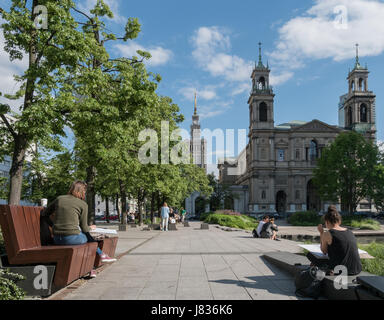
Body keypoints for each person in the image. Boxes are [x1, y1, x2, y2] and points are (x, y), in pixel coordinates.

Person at [41, 180, 117, 278]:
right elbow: (84, 228)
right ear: (82, 191)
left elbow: (44, 214)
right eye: (84, 191)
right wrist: (91, 227)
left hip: (57, 238)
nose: (85, 193)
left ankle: (94, 265)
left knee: (87, 239)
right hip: (71, 239)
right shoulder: (82, 204)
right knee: (91, 242)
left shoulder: (59, 199)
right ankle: (98, 260)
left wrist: (53, 225)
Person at [307, 205, 362, 276]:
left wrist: (321, 233)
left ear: (326, 222)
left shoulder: (328, 233)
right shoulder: (349, 231)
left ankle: (328, 270)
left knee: (310, 255)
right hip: (356, 269)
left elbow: (324, 251)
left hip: (341, 270)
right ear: (339, 221)